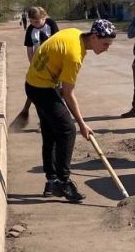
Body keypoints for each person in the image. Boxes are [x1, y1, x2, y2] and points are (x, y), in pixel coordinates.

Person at [24, 19, 117, 203]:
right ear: (94, 37)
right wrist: (82, 124)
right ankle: (63, 181)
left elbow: (53, 54)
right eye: (105, 43)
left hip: (35, 83)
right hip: (42, 88)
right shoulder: (75, 55)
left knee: (50, 133)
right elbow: (68, 93)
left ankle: (51, 181)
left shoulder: (74, 33)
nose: (107, 48)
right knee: (68, 130)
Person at [17, 6, 60, 121]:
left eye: (36, 21)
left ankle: (56, 113)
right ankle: (31, 112)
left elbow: (58, 41)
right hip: (38, 63)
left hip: (53, 62)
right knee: (35, 87)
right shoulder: (30, 29)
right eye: (31, 21)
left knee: (55, 88)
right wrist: (32, 65)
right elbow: (29, 49)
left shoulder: (51, 24)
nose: (34, 24)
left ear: (44, 17)